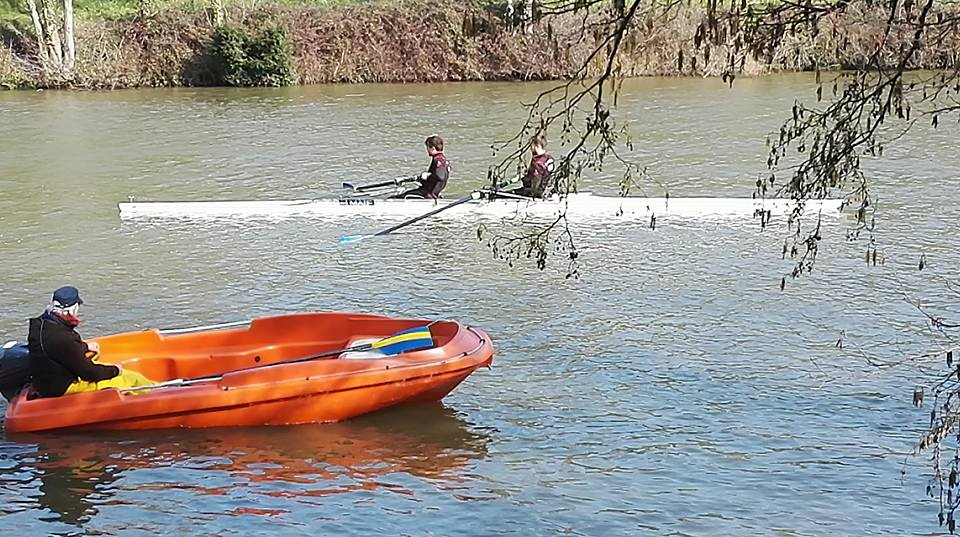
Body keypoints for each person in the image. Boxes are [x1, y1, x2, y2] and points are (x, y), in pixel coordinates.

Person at [28, 286, 155, 398]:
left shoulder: (40, 325)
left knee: (95, 355)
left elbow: (59, 350)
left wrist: (85, 346)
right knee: (131, 378)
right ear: (72, 309)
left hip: (46, 382)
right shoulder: (63, 338)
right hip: (61, 387)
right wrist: (116, 370)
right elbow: (89, 373)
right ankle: (157, 393)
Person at [511, 134, 555, 198]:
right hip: (544, 190)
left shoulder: (538, 163)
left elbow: (536, 182)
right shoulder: (549, 159)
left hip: (534, 193)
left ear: (536, 146)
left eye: (531, 146)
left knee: (510, 193)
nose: (531, 149)